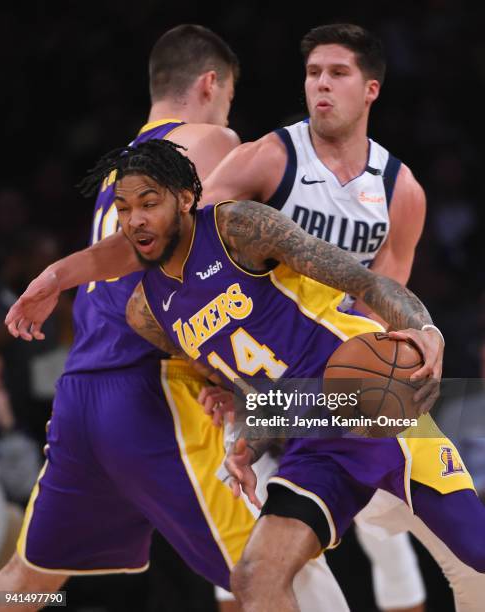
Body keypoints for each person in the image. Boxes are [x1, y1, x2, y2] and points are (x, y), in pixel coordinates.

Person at [0, 24, 351, 612]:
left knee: (30, 581)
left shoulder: (121, 174)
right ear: (212, 84)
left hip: (83, 396)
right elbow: (230, 263)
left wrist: (59, 274)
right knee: (278, 575)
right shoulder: (211, 139)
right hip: (155, 387)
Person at [58, 139, 485, 612]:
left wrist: (422, 327)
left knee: (476, 554)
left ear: (183, 198)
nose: (134, 219)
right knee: (256, 577)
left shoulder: (236, 227)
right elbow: (249, 379)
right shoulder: (146, 311)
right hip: (312, 439)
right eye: (123, 207)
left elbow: (361, 279)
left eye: (148, 203)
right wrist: (248, 435)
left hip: (367, 400)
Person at [198, 23, 485, 612]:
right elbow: (191, 249)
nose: (320, 85)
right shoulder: (270, 158)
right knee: (247, 571)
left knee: (439, 549)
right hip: (260, 381)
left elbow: (385, 305)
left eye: (337, 73)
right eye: (312, 73)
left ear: (371, 89)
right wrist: (210, 367)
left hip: (336, 387)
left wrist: (410, 349)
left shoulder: (401, 190)